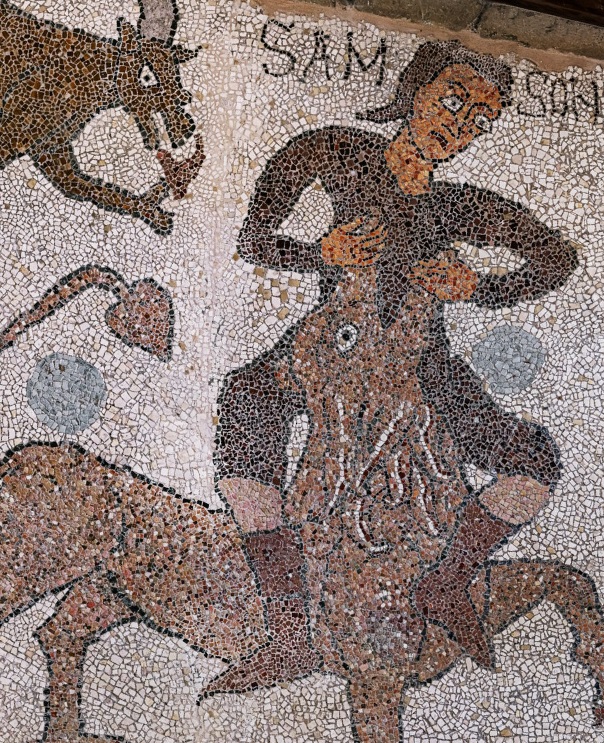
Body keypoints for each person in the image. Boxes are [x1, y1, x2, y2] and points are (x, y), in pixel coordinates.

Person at [211, 41, 578, 691]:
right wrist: (321, 251)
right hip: (332, 341)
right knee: (246, 401)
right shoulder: (337, 152)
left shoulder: (457, 205)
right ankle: (290, 629)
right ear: (416, 89)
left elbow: (557, 258)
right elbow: (254, 237)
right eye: (454, 100)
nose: (460, 125)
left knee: (533, 461)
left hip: (421, 358)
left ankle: (446, 581)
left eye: (480, 120)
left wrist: (477, 288)